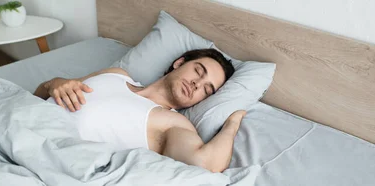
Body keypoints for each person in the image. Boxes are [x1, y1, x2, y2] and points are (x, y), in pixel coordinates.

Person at [34, 49, 246, 173]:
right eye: (198, 71)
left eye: (207, 90)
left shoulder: (172, 122)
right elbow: (40, 94)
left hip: (47, 160)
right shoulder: (115, 74)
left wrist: (232, 124)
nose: (197, 84)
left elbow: (205, 164)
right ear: (179, 63)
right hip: (28, 121)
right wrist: (54, 83)